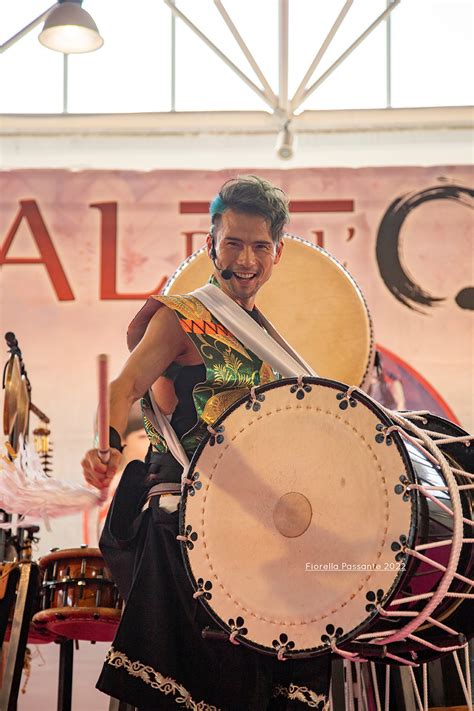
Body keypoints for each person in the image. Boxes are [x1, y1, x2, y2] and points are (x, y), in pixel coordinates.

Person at [81, 176, 332, 710]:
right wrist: (104, 445)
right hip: (188, 512)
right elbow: (122, 387)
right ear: (210, 245)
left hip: (250, 520)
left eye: (260, 246)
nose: (246, 259)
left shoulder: (264, 335)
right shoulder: (185, 315)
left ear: (277, 253)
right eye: (233, 243)